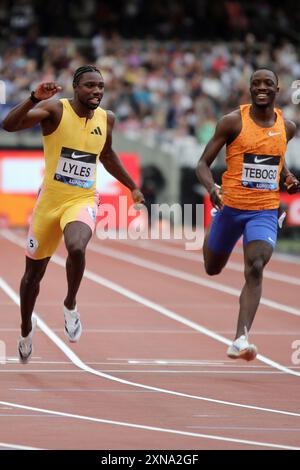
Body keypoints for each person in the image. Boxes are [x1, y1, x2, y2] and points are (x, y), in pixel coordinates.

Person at [2, 65, 145, 363]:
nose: (97, 91)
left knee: (77, 246)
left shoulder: (108, 119)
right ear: (76, 88)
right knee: (32, 278)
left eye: (101, 86)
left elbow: (105, 155)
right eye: (90, 86)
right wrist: (33, 98)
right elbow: (9, 125)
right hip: (48, 204)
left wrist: (132, 186)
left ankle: (70, 304)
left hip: (81, 199)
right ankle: (26, 328)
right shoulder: (55, 110)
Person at [196, 68, 300, 361]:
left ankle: (240, 338)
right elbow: (202, 164)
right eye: (256, 84)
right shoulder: (232, 122)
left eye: (268, 83)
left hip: (264, 210)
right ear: (250, 89)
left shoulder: (287, 127)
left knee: (255, 266)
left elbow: (276, 161)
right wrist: (211, 188)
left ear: (277, 89)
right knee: (212, 268)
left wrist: (287, 177)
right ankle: (216, 232)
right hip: (230, 209)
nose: (262, 88)